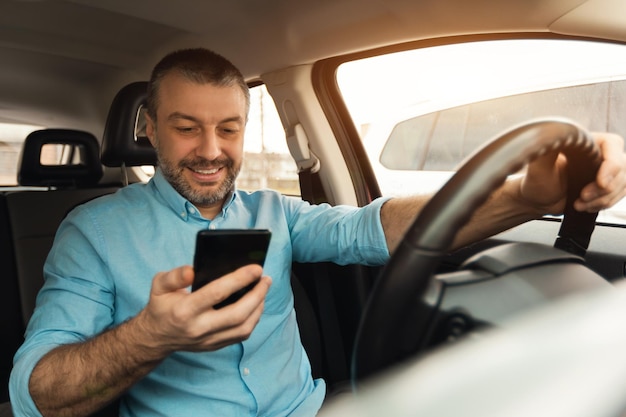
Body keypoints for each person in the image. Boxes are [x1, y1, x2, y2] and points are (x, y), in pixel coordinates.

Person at [9, 47, 626, 417]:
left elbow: (370, 229)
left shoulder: (275, 213)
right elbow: (36, 390)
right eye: (186, 127)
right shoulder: (92, 231)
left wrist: (525, 195)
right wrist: (151, 336)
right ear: (148, 127)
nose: (211, 151)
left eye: (229, 128)